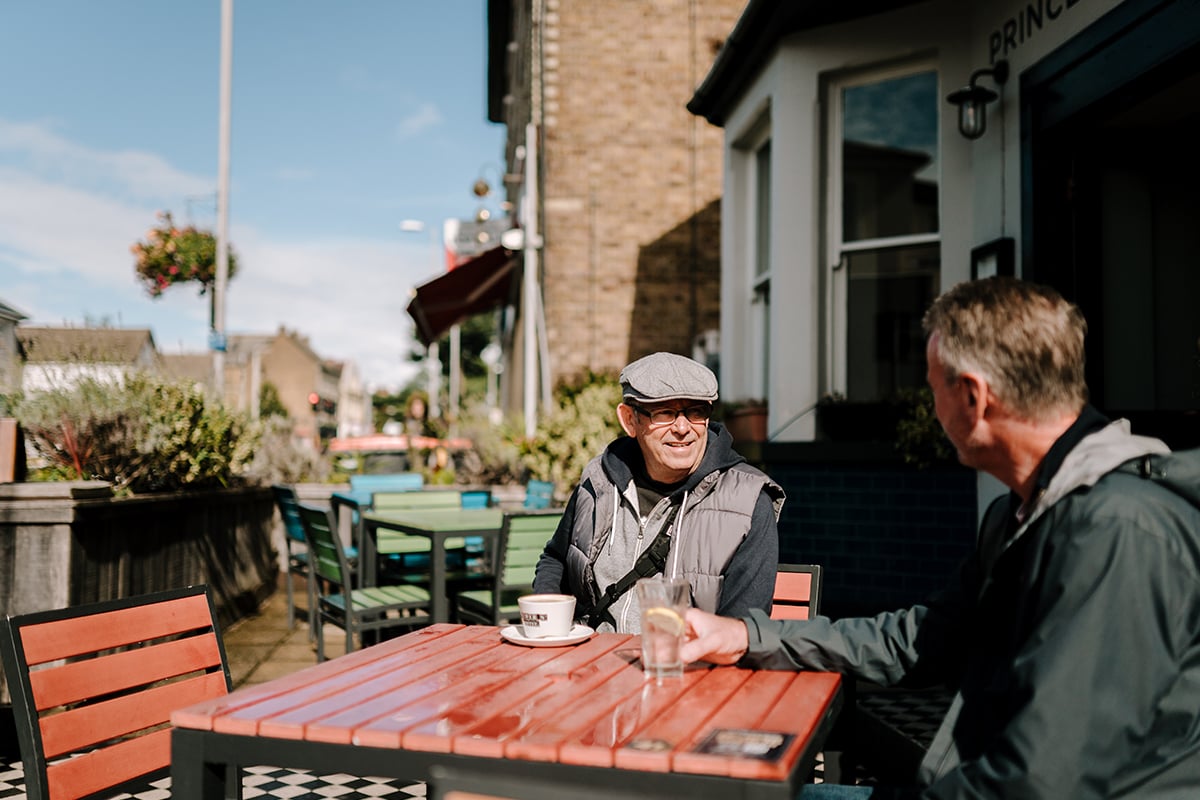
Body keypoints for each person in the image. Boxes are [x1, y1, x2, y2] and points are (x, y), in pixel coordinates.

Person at [680, 277, 1200, 799]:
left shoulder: (1118, 531)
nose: (931, 408)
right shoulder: (1020, 515)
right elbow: (916, 639)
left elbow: (1040, 780)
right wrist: (746, 636)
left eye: (933, 389)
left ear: (972, 397)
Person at [533, 351, 785, 633]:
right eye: (664, 412)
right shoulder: (598, 481)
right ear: (630, 420)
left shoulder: (748, 501)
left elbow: (741, 628)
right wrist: (548, 624)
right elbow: (556, 558)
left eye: (695, 412)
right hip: (591, 662)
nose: (682, 428)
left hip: (686, 668)